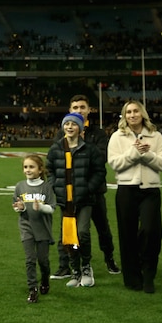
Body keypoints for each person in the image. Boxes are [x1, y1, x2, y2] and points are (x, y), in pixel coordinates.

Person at [51, 95, 120, 280]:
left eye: (82, 107)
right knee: (67, 229)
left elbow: (101, 158)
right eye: (75, 107)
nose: (79, 110)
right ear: (70, 110)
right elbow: (54, 162)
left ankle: (109, 259)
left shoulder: (98, 133)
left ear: (89, 110)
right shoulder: (62, 134)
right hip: (70, 193)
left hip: (93, 191)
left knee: (102, 227)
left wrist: (81, 142)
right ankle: (65, 265)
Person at [107, 100, 162, 293]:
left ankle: (148, 273)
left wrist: (148, 154)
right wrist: (135, 152)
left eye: (135, 111)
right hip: (127, 189)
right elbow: (114, 164)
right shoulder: (117, 137)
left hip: (150, 190)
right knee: (127, 235)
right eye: (128, 112)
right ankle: (132, 278)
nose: (132, 115)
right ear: (124, 116)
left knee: (151, 231)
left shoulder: (156, 136)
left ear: (142, 113)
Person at [47, 113, 106, 288]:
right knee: (69, 237)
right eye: (67, 124)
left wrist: (88, 188)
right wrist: (55, 186)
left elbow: (99, 172)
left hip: (85, 199)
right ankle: (75, 270)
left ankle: (86, 266)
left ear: (80, 128)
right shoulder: (56, 148)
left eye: (74, 124)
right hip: (65, 201)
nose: (70, 127)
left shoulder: (90, 149)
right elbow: (49, 169)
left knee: (83, 233)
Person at [12, 154, 55, 303]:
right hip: (26, 227)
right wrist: (20, 208)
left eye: (31, 167)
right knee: (30, 259)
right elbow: (16, 206)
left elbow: (52, 208)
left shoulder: (46, 187)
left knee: (43, 260)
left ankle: (45, 280)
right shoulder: (20, 186)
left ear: (40, 169)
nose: (28, 170)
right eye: (25, 167)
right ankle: (33, 289)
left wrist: (41, 207)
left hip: (42, 229)